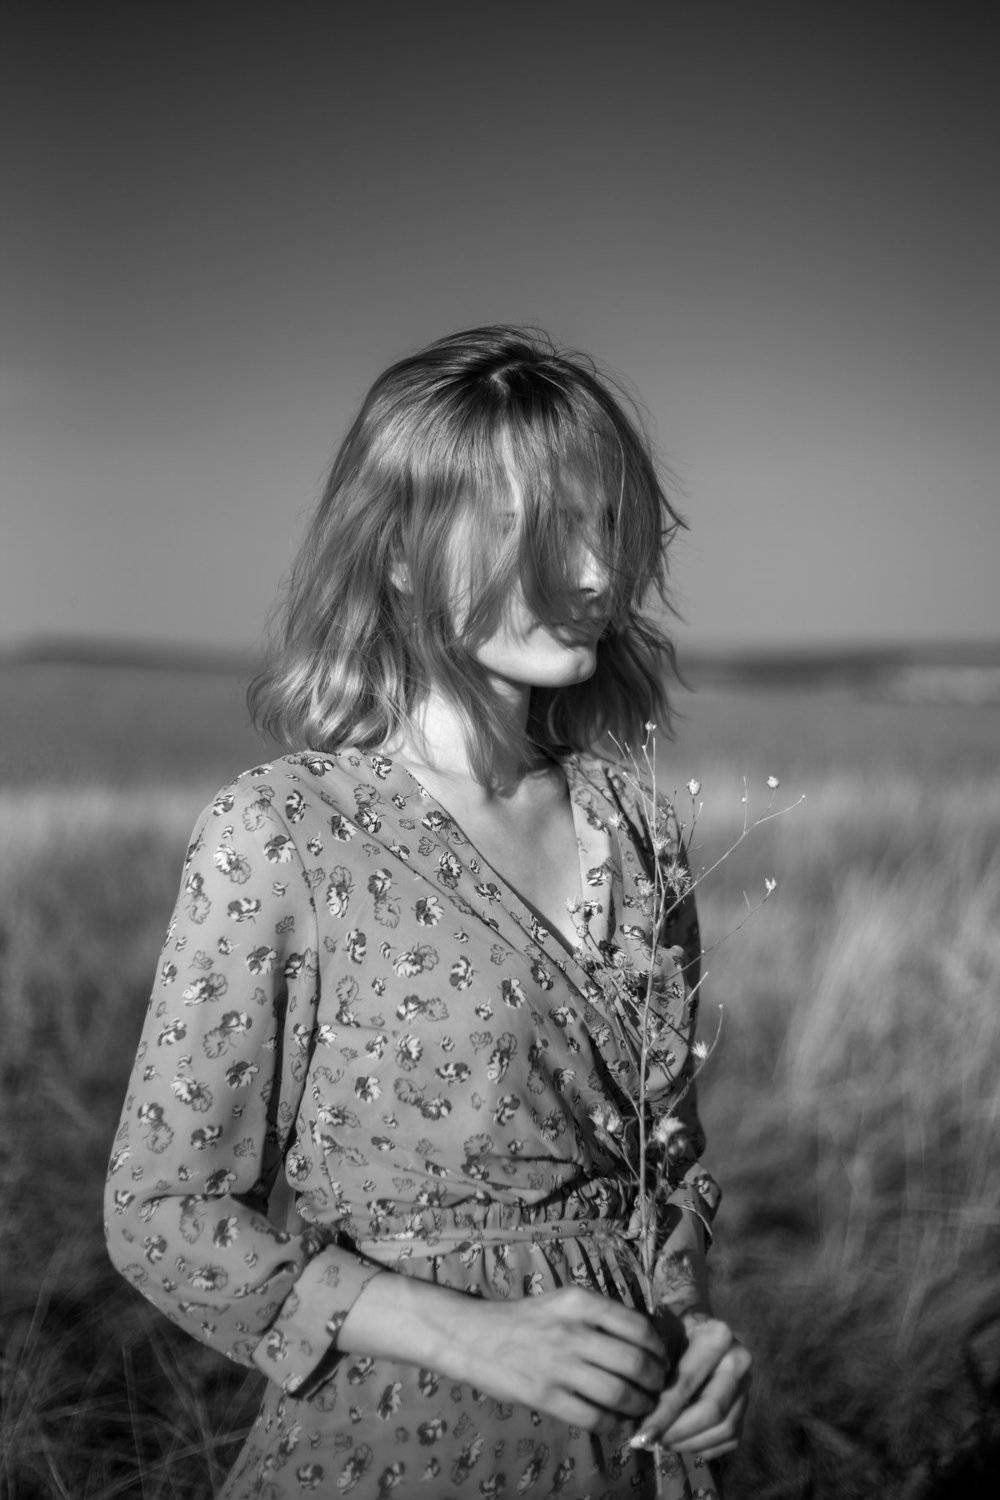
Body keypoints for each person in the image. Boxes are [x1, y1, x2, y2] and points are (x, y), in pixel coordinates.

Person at [105, 326, 750, 1500]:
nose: (593, 573)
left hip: (630, 1449)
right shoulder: (287, 831)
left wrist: (692, 1326)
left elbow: (667, 1166)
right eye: (530, 528)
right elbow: (162, 1212)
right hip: (400, 1443)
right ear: (399, 552)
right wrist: (468, 1335)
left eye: (605, 526)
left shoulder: (638, 829)